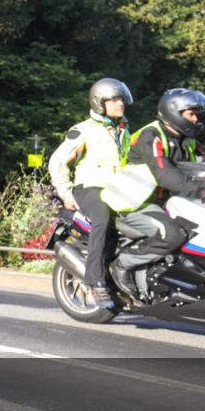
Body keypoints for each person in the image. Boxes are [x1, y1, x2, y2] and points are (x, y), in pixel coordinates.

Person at [102, 88, 205, 300]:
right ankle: (123, 263)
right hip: (136, 203)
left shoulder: (187, 139)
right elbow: (163, 173)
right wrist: (201, 191)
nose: (196, 118)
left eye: (197, 114)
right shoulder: (151, 135)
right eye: (191, 114)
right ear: (175, 112)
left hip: (166, 202)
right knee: (173, 234)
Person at [49, 77, 133, 306]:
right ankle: (95, 282)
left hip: (118, 192)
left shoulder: (123, 131)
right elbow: (57, 163)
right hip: (89, 188)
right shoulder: (83, 131)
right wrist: (66, 194)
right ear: (99, 103)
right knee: (102, 217)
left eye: (121, 100)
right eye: (114, 100)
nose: (120, 104)